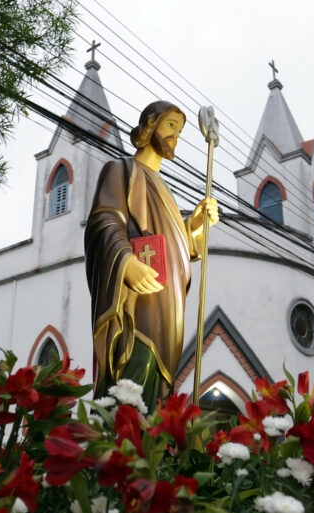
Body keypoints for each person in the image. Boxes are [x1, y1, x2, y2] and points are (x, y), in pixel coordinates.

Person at [84, 100, 218, 411]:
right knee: (133, 376)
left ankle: (150, 454)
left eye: (180, 130)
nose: (176, 135)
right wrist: (126, 262)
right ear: (149, 125)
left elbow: (171, 245)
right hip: (135, 301)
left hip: (168, 306)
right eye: (171, 125)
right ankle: (117, 450)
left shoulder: (164, 190)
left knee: (157, 394)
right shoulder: (121, 170)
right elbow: (105, 219)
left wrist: (195, 225)